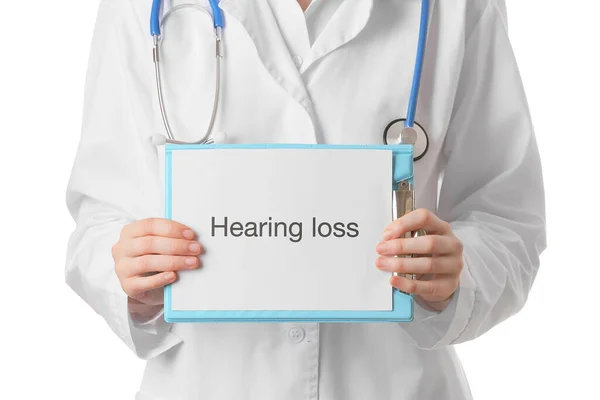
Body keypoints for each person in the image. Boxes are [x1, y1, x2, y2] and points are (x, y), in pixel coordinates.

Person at [65, 0, 546, 399]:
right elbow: (101, 217)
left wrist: (454, 277)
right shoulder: (142, 7)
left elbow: (506, 217)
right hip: (209, 381)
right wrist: (130, 274)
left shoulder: (454, 7)